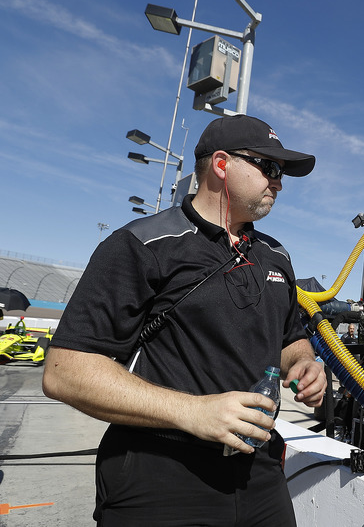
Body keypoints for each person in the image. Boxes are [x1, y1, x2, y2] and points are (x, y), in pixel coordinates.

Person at [43, 114, 327, 526]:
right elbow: (64, 371)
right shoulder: (141, 245)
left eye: (281, 172)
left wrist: (303, 362)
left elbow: (290, 337)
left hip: (258, 474)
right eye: (268, 167)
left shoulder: (277, 257)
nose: (278, 181)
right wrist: (194, 412)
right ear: (221, 164)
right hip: (160, 473)